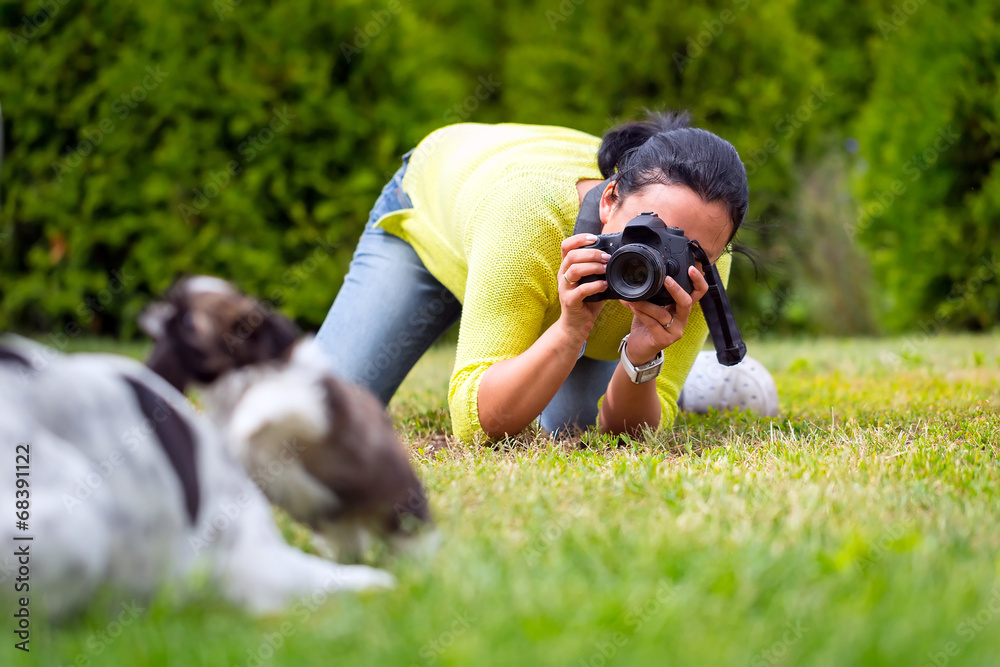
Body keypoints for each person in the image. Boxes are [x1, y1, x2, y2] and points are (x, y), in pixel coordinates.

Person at [316, 111, 758, 443]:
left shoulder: (705, 265)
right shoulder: (526, 217)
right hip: (440, 209)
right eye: (648, 229)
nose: (660, 256)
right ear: (609, 199)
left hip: (525, 252)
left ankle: (687, 373)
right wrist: (570, 332)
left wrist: (643, 358)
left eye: (691, 250)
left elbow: (629, 435)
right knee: (318, 414)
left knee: (577, 424)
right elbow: (475, 425)